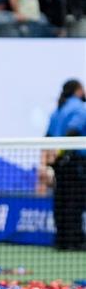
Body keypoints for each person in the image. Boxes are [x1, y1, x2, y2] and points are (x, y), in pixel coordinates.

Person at [45, 80, 86, 251]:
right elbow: (73, 130)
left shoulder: (57, 111)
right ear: (78, 91)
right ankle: (74, 241)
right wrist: (64, 153)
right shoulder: (81, 108)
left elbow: (48, 136)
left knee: (61, 200)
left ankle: (61, 240)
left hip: (59, 164)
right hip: (75, 162)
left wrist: (53, 158)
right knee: (74, 202)